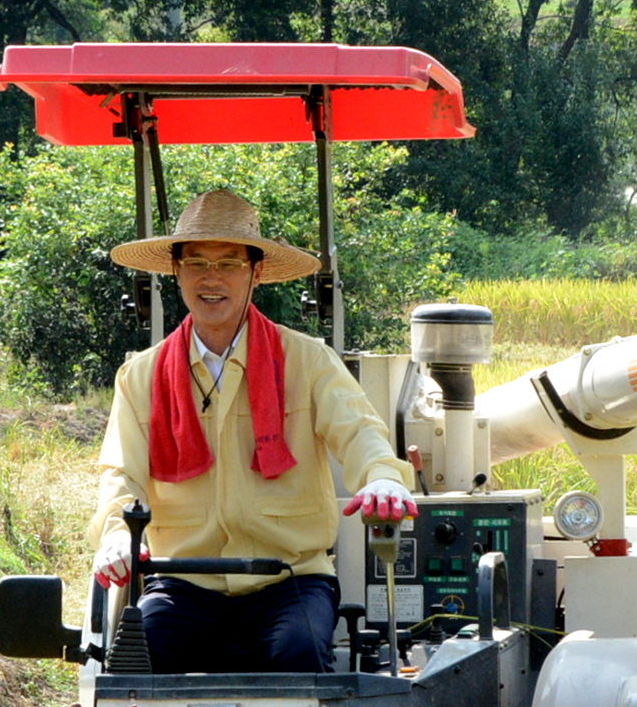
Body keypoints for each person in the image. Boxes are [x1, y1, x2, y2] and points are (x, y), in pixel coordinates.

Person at [90, 187, 417, 674]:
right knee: (140, 657)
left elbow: (360, 433)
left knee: (301, 653)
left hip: (290, 579)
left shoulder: (307, 360)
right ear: (175, 271)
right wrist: (117, 536)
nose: (211, 278)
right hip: (183, 581)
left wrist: (384, 477)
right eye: (197, 262)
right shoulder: (141, 375)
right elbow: (121, 475)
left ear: (256, 271)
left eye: (228, 264)